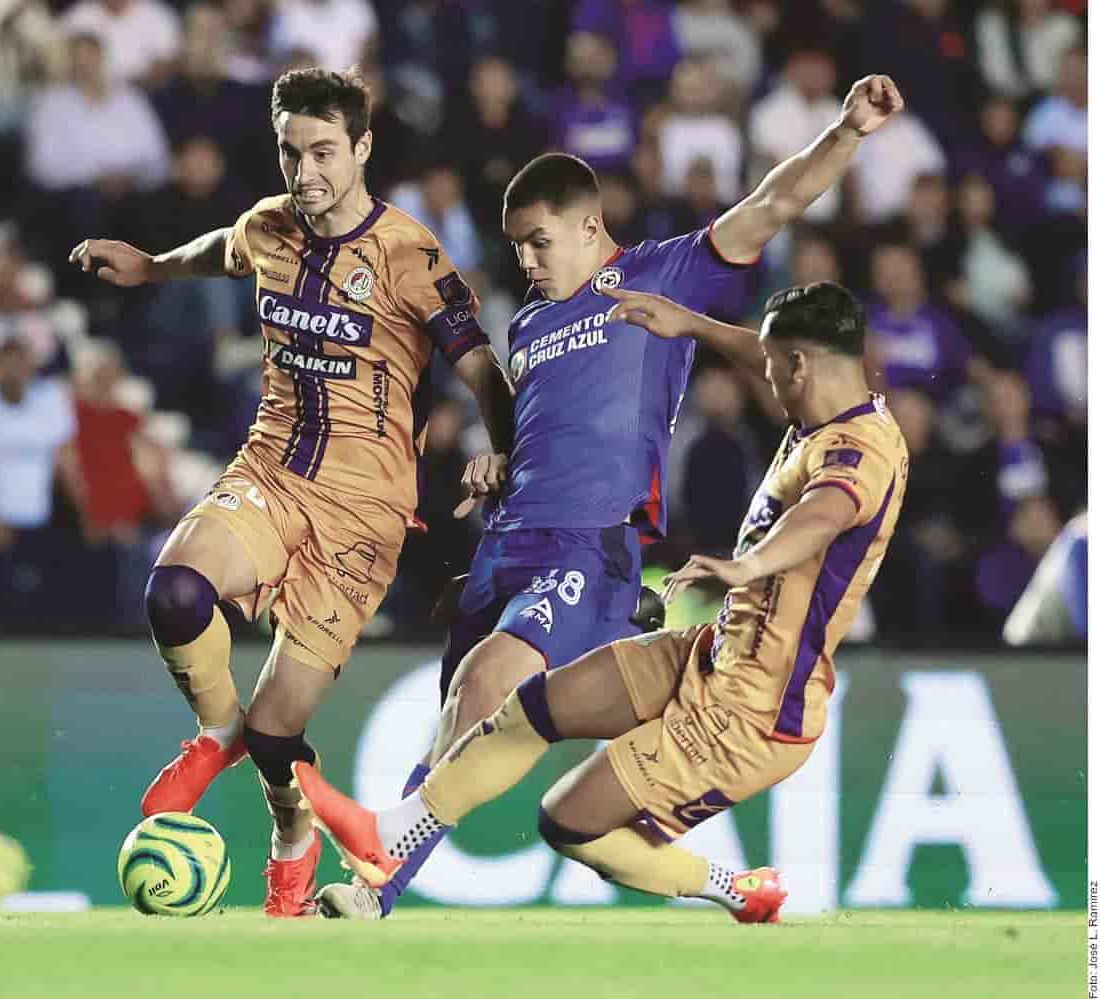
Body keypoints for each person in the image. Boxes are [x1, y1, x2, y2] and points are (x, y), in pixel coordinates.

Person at [315, 73, 907, 919]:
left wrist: (846, 132)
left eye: (538, 242)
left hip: (590, 542)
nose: (524, 261)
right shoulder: (527, 325)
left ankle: (377, 874)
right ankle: (386, 879)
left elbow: (772, 204)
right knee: (463, 718)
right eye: (514, 245)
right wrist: (498, 460)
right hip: (509, 538)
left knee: (489, 686)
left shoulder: (658, 277)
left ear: (589, 226)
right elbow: (543, 434)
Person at [68, 66, 514, 918]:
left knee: (278, 736)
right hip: (270, 468)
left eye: (321, 152)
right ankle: (213, 733)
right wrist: (154, 268)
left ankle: (290, 835)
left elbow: (477, 363)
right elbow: (226, 249)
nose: (304, 171)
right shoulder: (271, 225)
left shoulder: (409, 253)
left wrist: (503, 448)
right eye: (289, 150)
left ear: (362, 150)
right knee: (174, 591)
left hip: (364, 511)